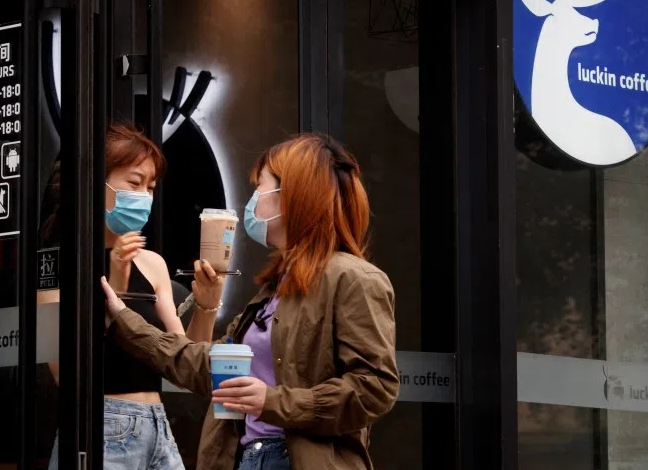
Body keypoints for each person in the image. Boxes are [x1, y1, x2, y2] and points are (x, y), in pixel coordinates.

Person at [100, 133, 399, 470]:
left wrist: (273, 401)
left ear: (291, 196)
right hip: (249, 456)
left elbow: (375, 387)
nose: (253, 198)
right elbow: (207, 368)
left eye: (260, 186)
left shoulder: (353, 278)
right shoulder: (277, 287)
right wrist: (124, 317)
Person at [42, 121, 226, 470]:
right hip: (102, 426)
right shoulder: (56, 263)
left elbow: (185, 362)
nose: (144, 196)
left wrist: (207, 304)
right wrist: (117, 284)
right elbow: (63, 373)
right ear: (97, 184)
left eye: (150, 187)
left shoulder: (153, 263)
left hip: (158, 427)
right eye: (134, 183)